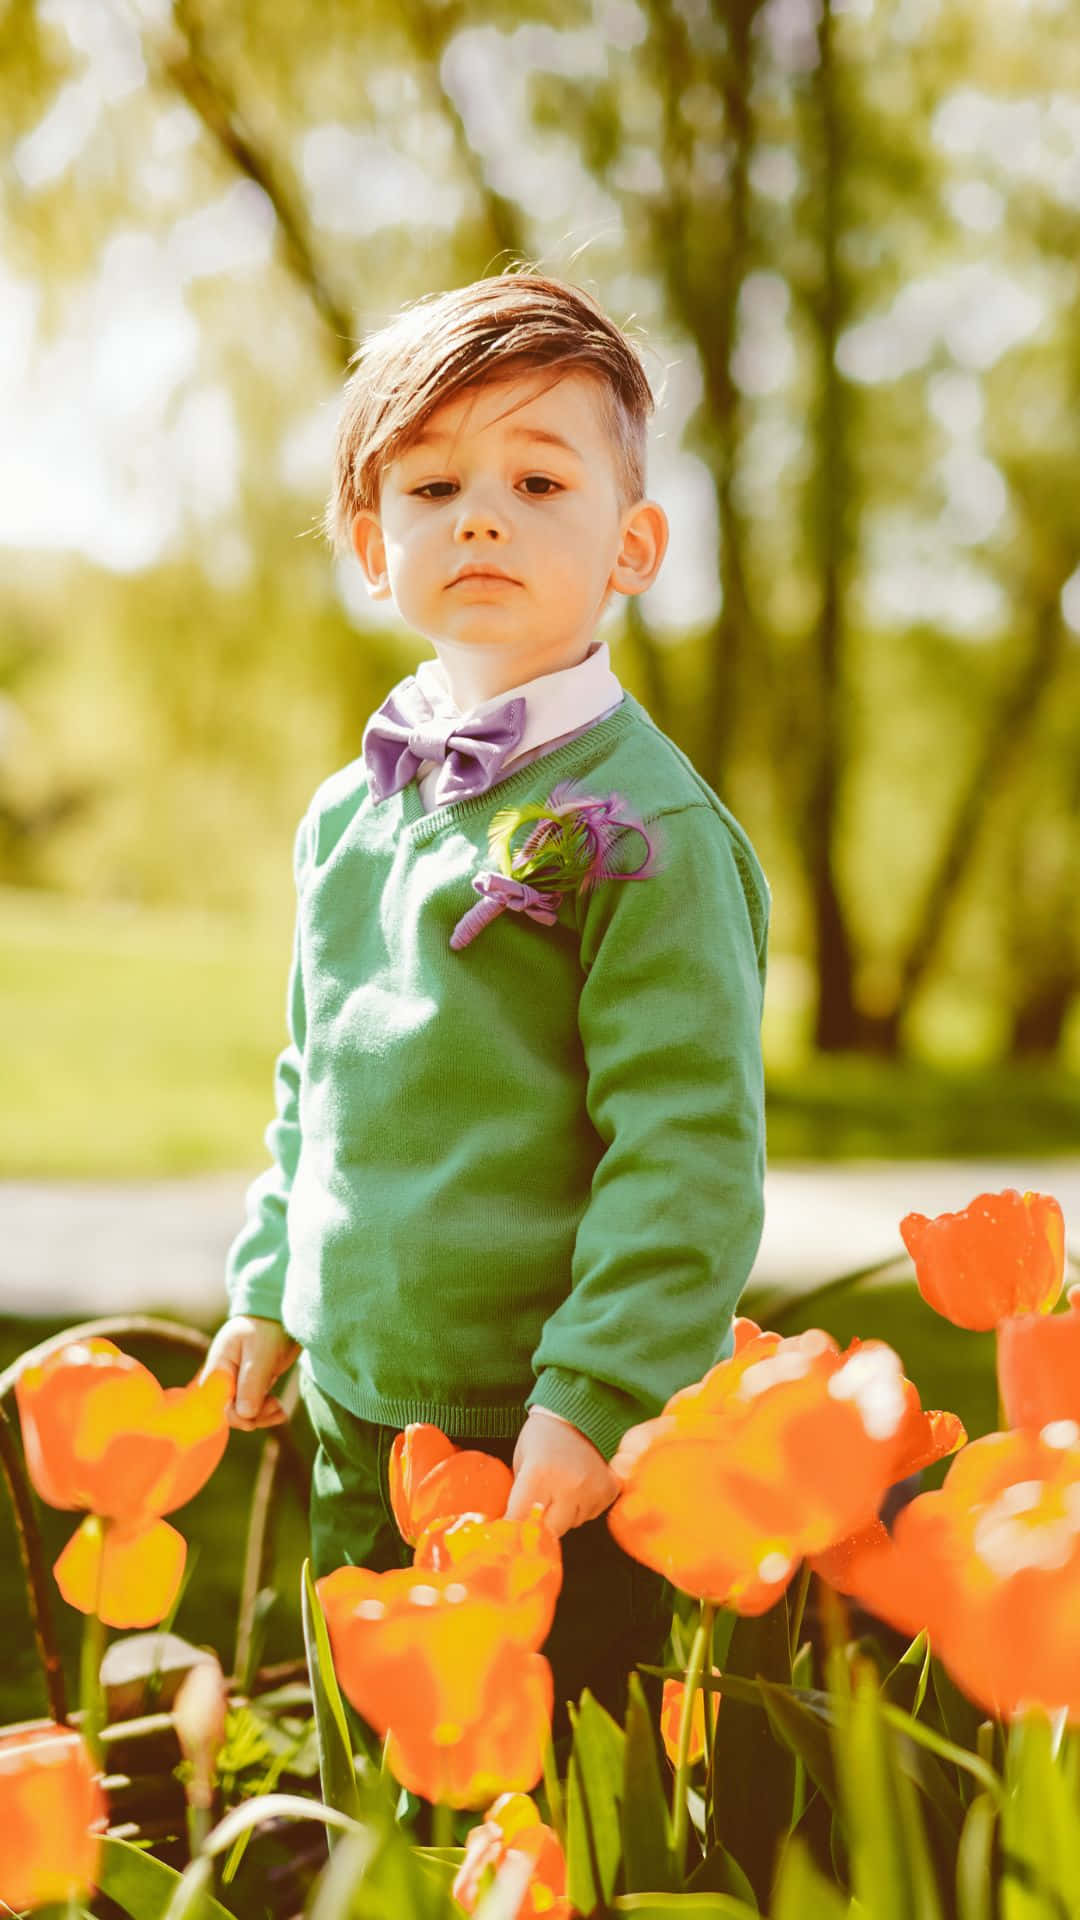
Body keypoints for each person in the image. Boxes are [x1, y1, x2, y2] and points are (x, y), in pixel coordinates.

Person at [204, 270, 770, 1755]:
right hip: (357, 1402)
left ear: (631, 544)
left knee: (538, 1796)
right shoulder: (350, 812)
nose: (480, 516)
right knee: (373, 1778)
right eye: (434, 483)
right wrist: (272, 1282)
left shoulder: (648, 830)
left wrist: (595, 1398)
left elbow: (686, 1148)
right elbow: (313, 1072)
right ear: (370, 543)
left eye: (536, 479)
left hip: (544, 1432)